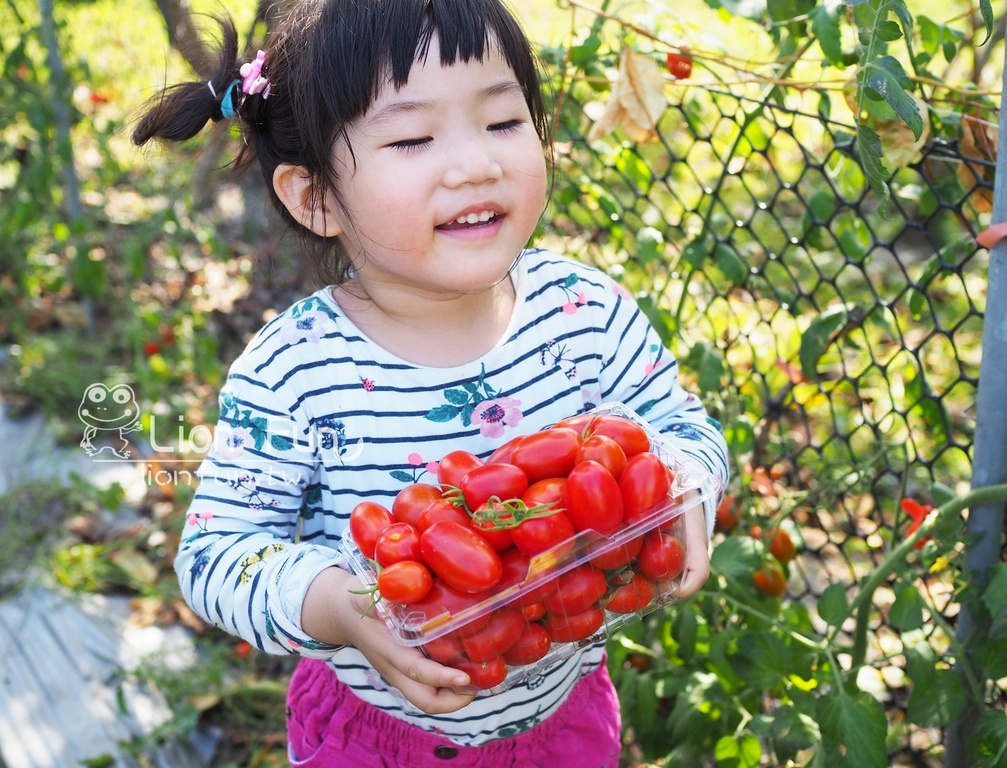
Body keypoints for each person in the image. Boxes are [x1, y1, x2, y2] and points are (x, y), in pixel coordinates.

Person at [133, 0, 729, 764]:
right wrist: (341, 607)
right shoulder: (296, 374)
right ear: (314, 197)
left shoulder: (586, 314)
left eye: (504, 123)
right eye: (414, 137)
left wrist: (687, 487)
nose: (476, 164)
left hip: (564, 724)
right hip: (376, 740)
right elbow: (216, 556)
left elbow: (678, 429)